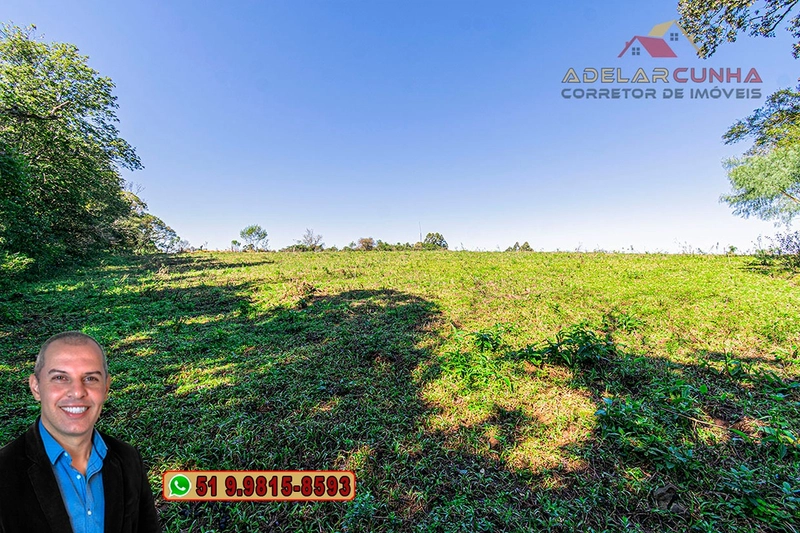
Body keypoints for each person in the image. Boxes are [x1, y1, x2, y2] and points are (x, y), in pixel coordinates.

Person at [0, 331, 161, 533]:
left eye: (91, 378)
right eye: (60, 377)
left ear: (106, 387)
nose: (77, 392)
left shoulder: (128, 459)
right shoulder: (4, 471)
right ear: (36, 387)